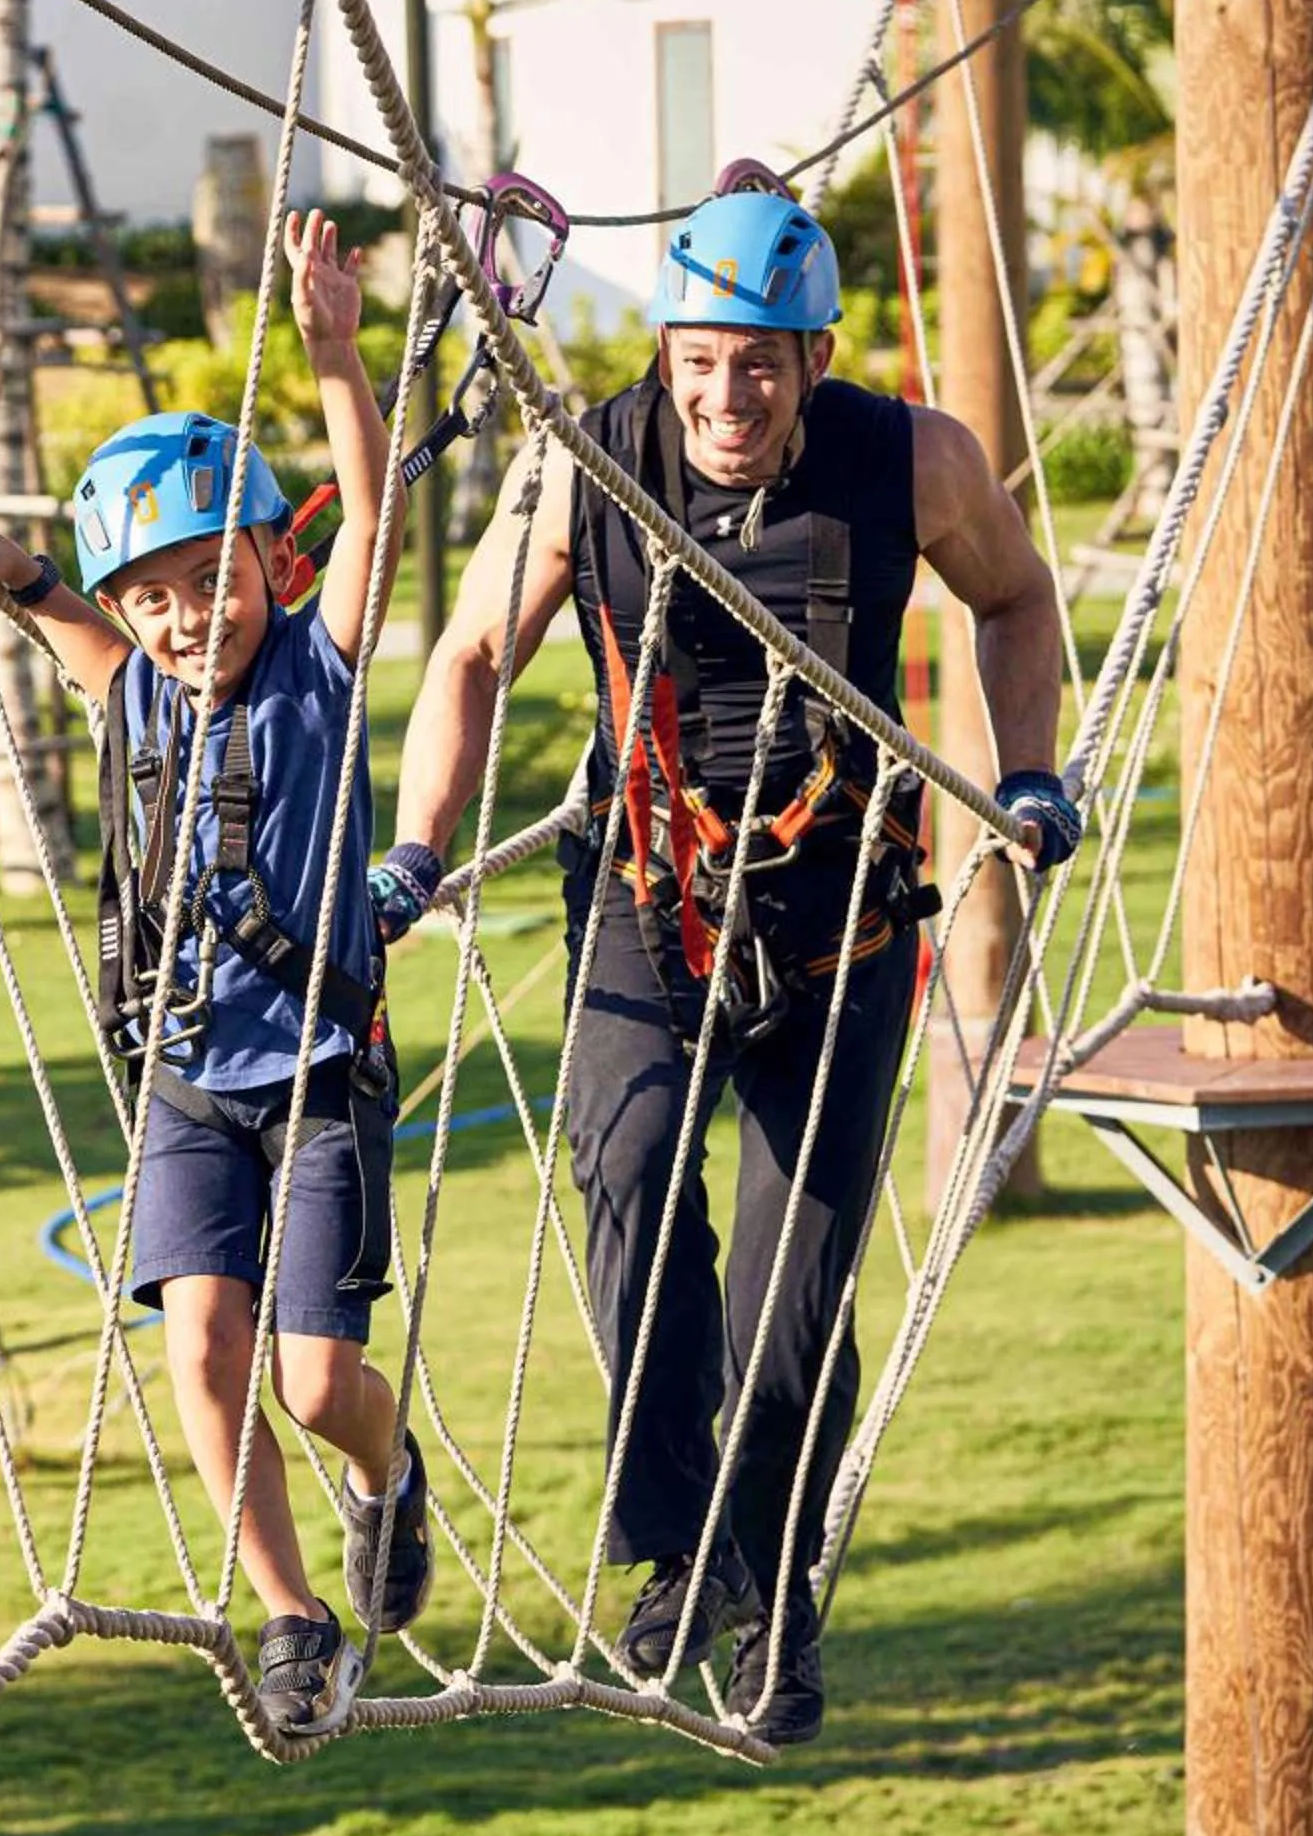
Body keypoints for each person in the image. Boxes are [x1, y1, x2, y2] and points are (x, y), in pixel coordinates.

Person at [369, 172, 1081, 1747]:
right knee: (624, 1179)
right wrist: (418, 846)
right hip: (647, 893)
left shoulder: (913, 461)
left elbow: (1019, 599)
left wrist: (1026, 768)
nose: (723, 393)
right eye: (699, 357)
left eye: (758, 361)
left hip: (844, 923)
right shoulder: (593, 465)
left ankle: (770, 1604)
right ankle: (674, 1545)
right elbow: (475, 648)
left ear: (814, 355)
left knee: (793, 1292)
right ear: (669, 351)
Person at [0, 211, 433, 1735]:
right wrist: (16, 575)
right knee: (205, 1349)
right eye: (149, 594)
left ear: (263, 565)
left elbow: (370, 512)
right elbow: (71, 630)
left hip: (309, 1074)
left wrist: (336, 356)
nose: (181, 617)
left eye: (209, 580)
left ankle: (387, 1467)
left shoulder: (317, 669)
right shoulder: (136, 695)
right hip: (182, 1081)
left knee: (311, 1379)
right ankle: (291, 1612)